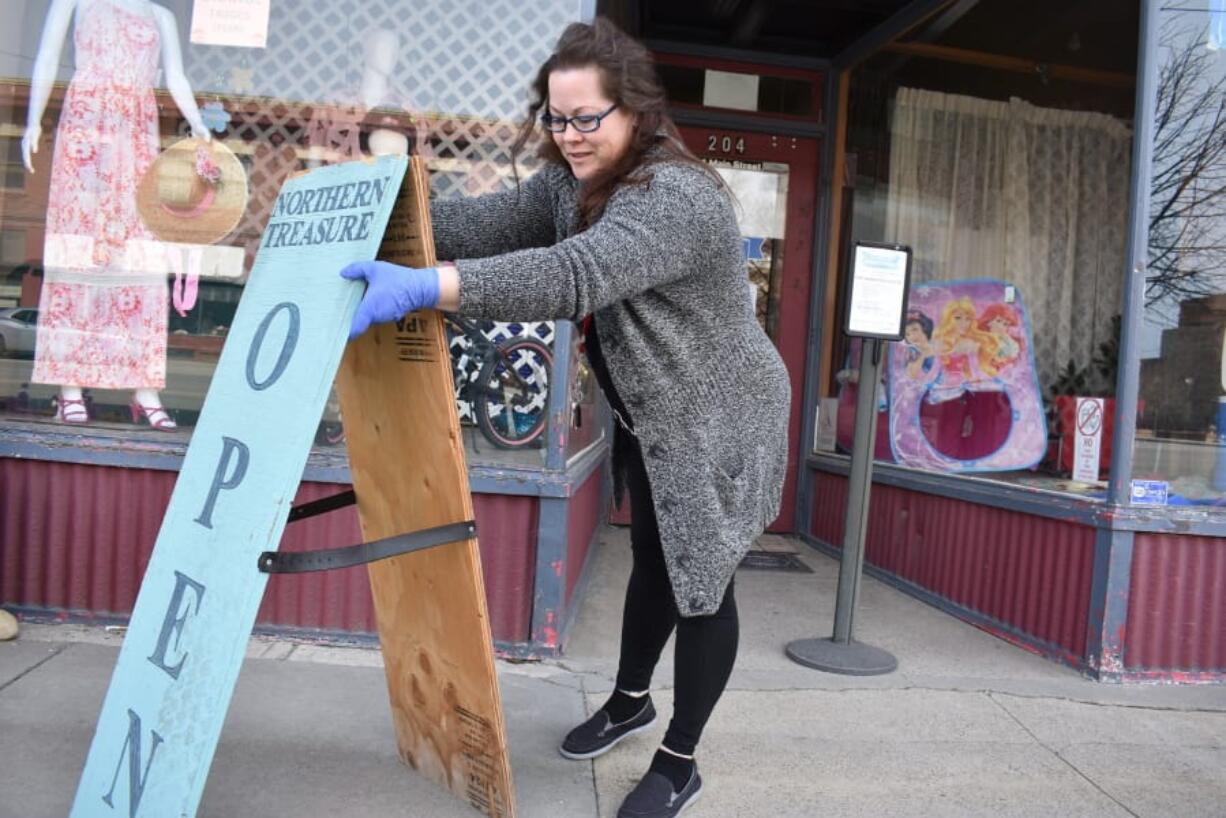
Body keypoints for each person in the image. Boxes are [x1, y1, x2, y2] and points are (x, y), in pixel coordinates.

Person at [340, 18, 790, 818]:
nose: (571, 135)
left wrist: (429, 287)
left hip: (721, 419)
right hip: (652, 414)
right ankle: (628, 701)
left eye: (589, 117)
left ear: (636, 113)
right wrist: (378, 208)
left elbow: (573, 276)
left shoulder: (676, 196)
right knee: (653, 558)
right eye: (558, 116)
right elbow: (485, 226)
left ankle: (679, 761)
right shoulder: (567, 184)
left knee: (701, 585)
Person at [22, 0, 211, 429]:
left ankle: (144, 388)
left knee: (140, 255)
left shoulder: (160, 16)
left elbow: (176, 76)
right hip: (86, 127)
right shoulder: (75, 2)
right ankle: (69, 386)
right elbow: (47, 57)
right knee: (79, 249)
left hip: (137, 135)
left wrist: (197, 123)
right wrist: (34, 121)